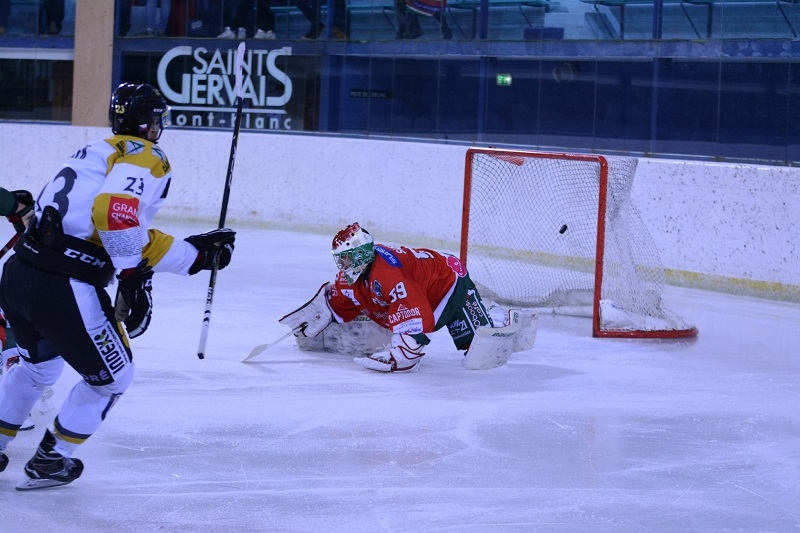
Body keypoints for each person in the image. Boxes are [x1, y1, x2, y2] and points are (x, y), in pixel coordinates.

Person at [0, 82, 236, 490]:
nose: (159, 126)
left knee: (37, 367)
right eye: (157, 118)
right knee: (113, 377)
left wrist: (193, 256)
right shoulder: (148, 154)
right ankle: (51, 460)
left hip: (19, 273)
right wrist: (130, 276)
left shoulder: (95, 151)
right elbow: (113, 213)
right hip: (63, 284)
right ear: (148, 122)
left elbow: (120, 229)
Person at [280, 222, 496, 372]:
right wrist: (320, 317)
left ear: (360, 255)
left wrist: (403, 355)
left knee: (479, 348)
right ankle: (489, 315)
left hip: (447, 280)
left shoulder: (389, 275)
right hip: (422, 283)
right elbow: (340, 302)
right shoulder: (353, 275)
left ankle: (495, 315)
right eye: (340, 259)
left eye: (345, 259)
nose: (342, 265)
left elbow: (413, 309)